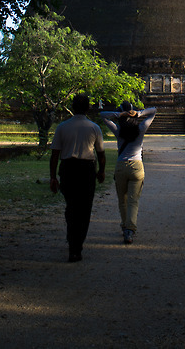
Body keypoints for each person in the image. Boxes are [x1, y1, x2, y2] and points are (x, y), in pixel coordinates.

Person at [50, 93, 106, 263]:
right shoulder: (94, 127)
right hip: (86, 170)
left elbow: (54, 155)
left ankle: (73, 242)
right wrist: (101, 171)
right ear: (88, 108)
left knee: (72, 206)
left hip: (68, 169)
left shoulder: (62, 127)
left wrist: (53, 177)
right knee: (84, 208)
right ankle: (76, 245)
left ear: (73, 107)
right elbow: (101, 154)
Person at [100, 101, 156, 244]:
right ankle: (130, 230)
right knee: (133, 201)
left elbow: (103, 115)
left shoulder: (118, 130)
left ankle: (125, 226)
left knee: (122, 200)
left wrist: (119, 114)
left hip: (121, 166)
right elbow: (154, 110)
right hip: (137, 166)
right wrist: (139, 113)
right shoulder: (141, 128)